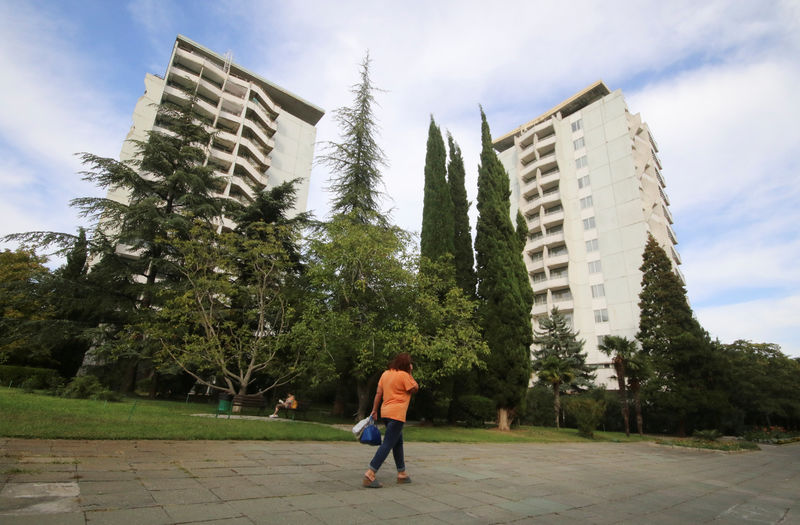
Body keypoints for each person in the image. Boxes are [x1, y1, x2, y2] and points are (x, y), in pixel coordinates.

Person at [363, 352, 419, 488]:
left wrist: (374, 410)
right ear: (407, 365)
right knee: (388, 443)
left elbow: (378, 393)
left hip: (386, 413)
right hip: (397, 414)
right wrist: (410, 372)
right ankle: (370, 473)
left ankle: (402, 473)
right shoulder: (404, 376)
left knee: (397, 442)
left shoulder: (386, 374)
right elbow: (415, 388)